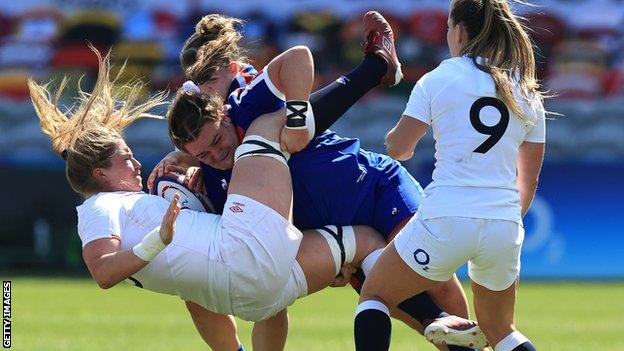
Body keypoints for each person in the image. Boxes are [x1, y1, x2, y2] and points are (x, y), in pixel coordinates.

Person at [152, 11, 483, 351]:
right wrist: (182, 159)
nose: (207, 88)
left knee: (434, 281)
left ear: (232, 67)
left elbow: (298, 57)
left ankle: (376, 67)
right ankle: (376, 68)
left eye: (211, 77)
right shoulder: (207, 152)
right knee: (416, 313)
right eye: (198, 80)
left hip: (373, 186)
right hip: (341, 225)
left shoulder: (245, 101)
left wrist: (295, 116)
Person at [29, 48, 390, 351]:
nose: (138, 163)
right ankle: (370, 71)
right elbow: (103, 272)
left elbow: (194, 288)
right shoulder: (99, 207)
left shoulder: (142, 210)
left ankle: (433, 319)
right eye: (126, 158)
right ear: (101, 174)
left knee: (365, 241)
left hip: (251, 295)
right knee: (265, 125)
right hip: (246, 253)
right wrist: (159, 239)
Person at [353, 0, 546, 350]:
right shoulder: (527, 90)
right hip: (503, 221)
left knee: (375, 295)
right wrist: (498, 219)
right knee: (501, 329)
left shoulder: (439, 78)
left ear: (459, 31)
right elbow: (528, 181)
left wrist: (396, 142)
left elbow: (399, 148)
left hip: (448, 215)